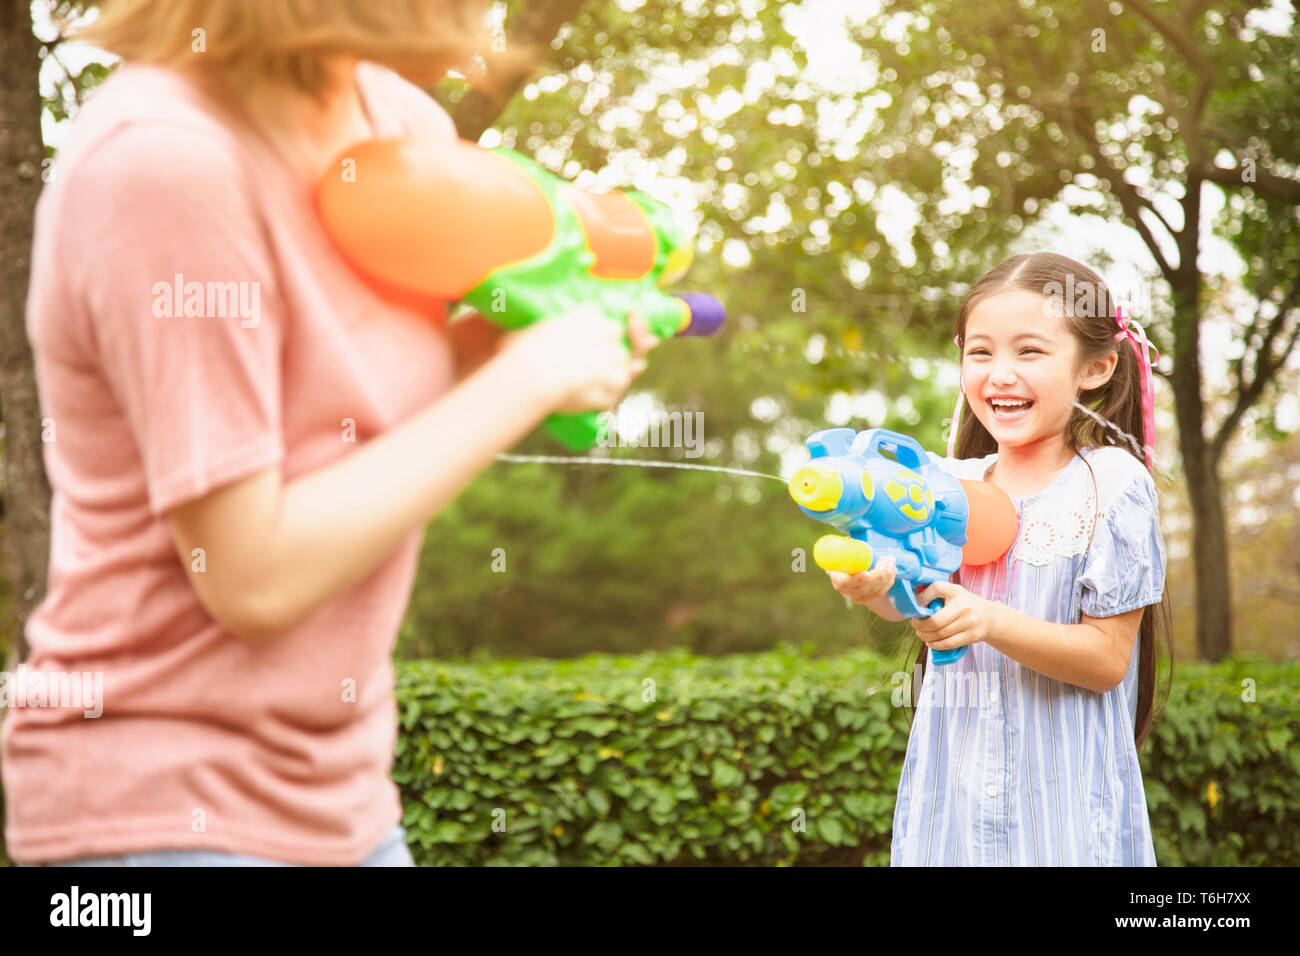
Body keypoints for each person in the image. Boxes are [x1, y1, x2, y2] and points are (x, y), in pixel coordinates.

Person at [2, 0, 657, 866]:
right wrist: (530, 377)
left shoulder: (397, 122)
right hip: (163, 810)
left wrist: (507, 346)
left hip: (346, 800)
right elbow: (249, 576)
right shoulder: (164, 165)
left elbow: (362, 423)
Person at [828, 251, 1173, 866]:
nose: (1000, 374)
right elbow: (910, 593)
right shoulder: (946, 482)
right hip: (954, 799)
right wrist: (871, 584)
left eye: (1030, 352)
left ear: (1096, 367)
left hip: (1063, 804)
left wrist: (987, 620)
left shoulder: (1111, 484)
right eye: (980, 352)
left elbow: (1105, 660)